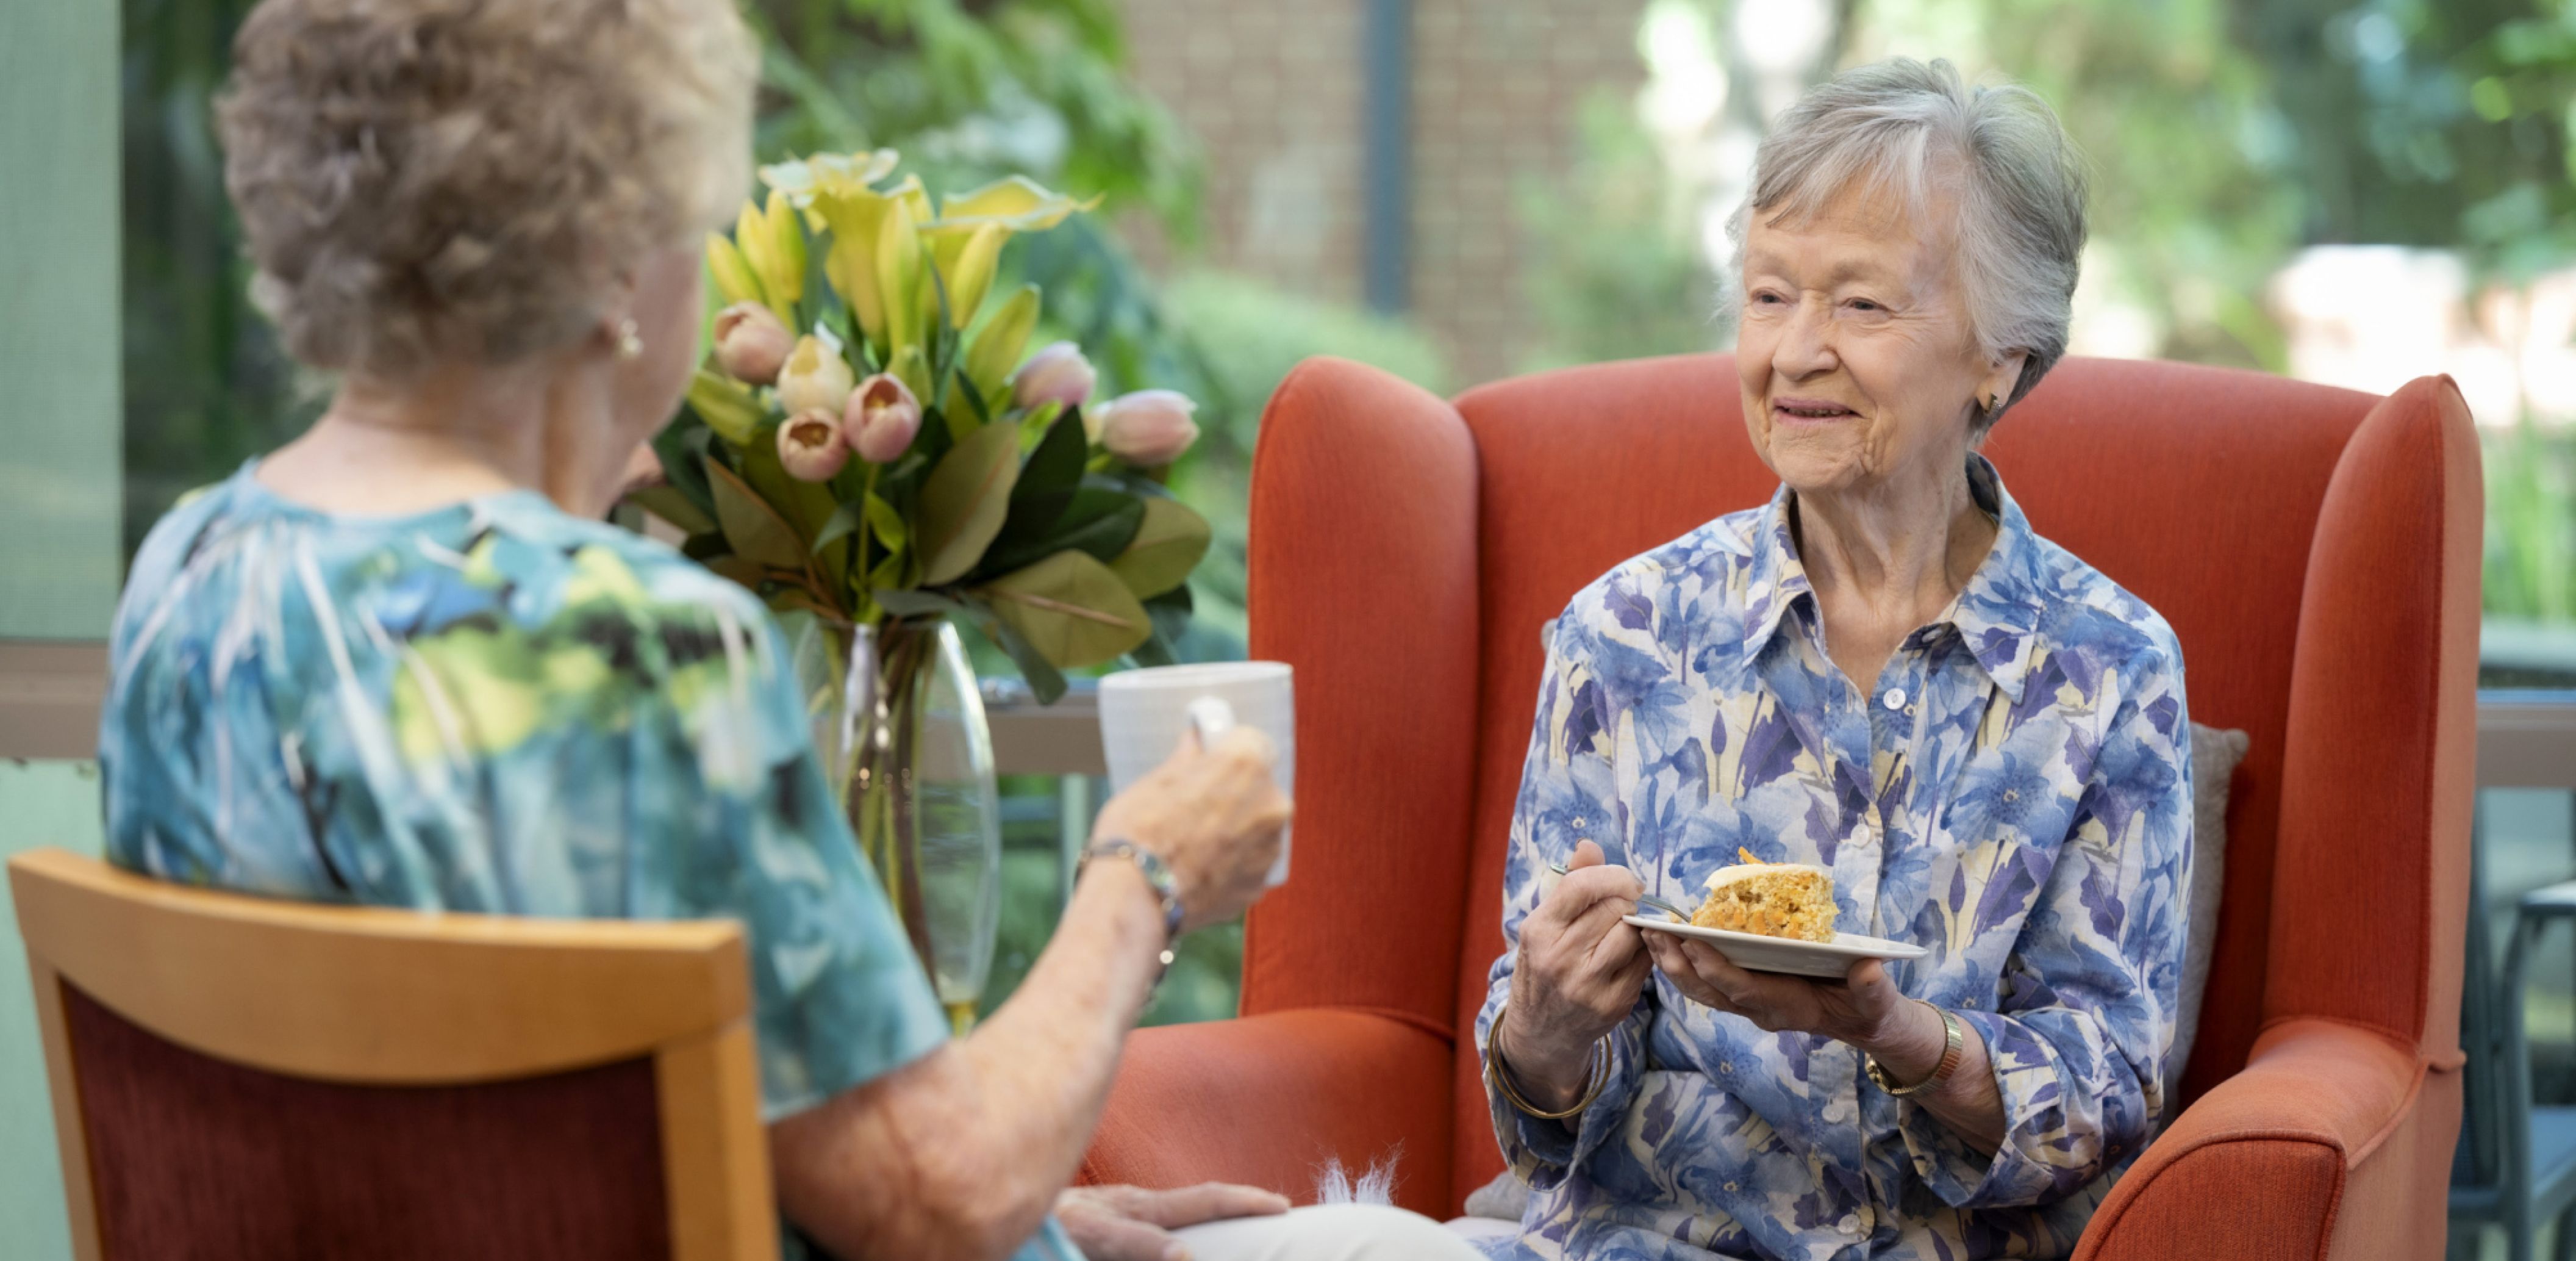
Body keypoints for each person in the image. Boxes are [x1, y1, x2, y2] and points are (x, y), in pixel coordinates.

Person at [97, 3, 1482, 1259]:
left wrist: (1044, 1231)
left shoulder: (188, 576)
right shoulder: (629, 644)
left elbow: (501, 1149)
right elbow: (939, 1196)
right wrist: (1148, 868)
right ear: (602, 260)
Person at [1473, 59, 2192, 1260]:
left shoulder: (2108, 668)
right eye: (1769, 296)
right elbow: (1548, 1120)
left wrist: (1900, 1032)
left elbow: (2106, 1093)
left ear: (1998, 357)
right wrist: (1542, 1031)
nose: (1795, 352)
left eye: (1862, 305)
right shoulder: (1625, 633)